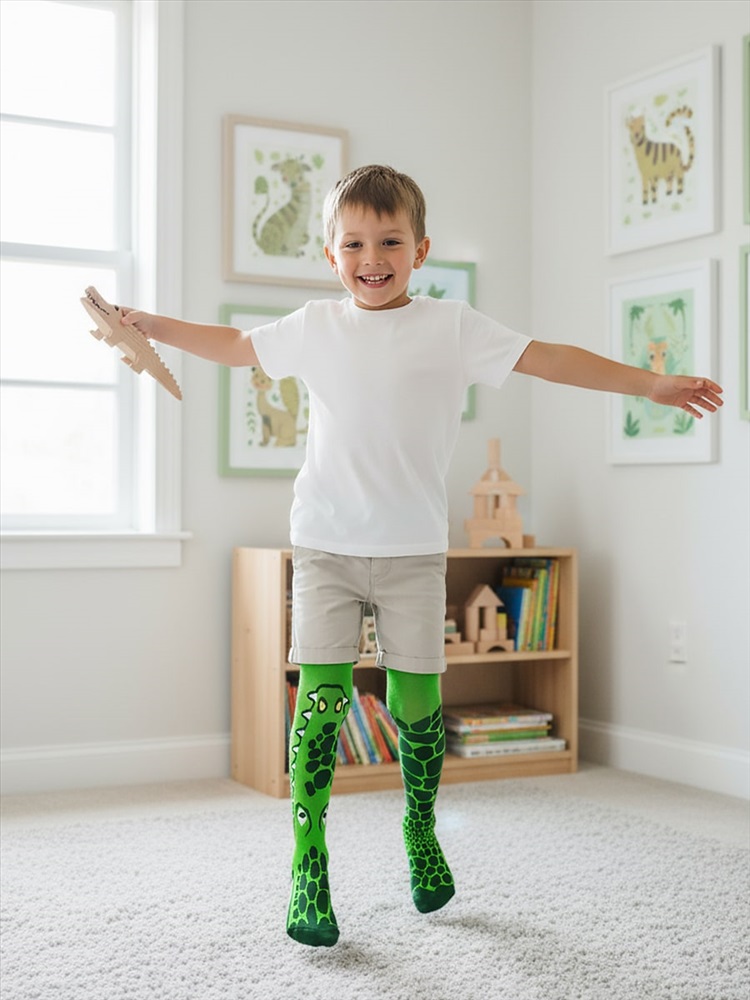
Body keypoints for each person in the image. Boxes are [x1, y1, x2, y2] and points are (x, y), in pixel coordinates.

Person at [122, 164, 723, 948]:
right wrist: (147, 325)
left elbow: (549, 358)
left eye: (390, 241)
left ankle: (419, 828)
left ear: (421, 249)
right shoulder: (313, 326)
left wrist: (650, 384)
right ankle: (309, 860)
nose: (372, 257)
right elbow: (235, 346)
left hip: (411, 552)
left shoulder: (453, 327)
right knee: (322, 700)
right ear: (330, 255)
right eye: (354, 244)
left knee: (416, 708)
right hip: (326, 545)